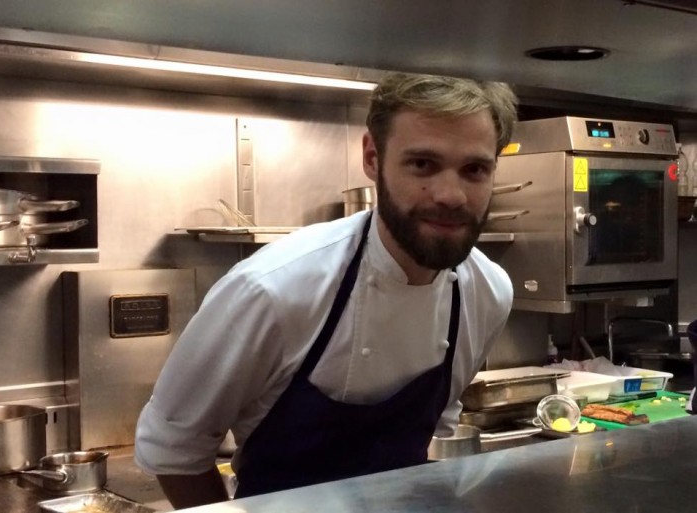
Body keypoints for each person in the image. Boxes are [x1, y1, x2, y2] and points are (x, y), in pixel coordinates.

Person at [134, 71, 518, 509]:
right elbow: (173, 450)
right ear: (372, 157)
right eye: (422, 164)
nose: (451, 195)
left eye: (474, 169)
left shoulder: (486, 293)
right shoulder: (271, 290)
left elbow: (440, 422)